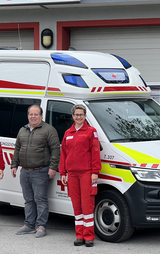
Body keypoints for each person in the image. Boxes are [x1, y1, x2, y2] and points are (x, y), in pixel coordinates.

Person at [11, 105, 60, 238]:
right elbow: (17, 148)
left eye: (36, 114)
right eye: (31, 114)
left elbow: (55, 149)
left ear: (41, 116)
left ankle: (41, 226)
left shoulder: (49, 130)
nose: (33, 116)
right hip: (25, 171)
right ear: (28, 116)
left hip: (41, 171)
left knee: (40, 200)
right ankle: (29, 225)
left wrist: (53, 167)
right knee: (28, 200)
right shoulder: (23, 130)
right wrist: (14, 165)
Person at [59, 104, 101, 247]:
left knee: (87, 204)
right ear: (72, 116)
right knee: (76, 205)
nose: (78, 117)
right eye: (76, 114)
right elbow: (63, 154)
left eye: (81, 114)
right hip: (72, 174)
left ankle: (89, 236)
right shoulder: (68, 133)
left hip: (86, 173)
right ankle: (79, 236)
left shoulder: (91, 131)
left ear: (85, 116)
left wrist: (95, 172)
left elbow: (95, 152)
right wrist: (62, 172)